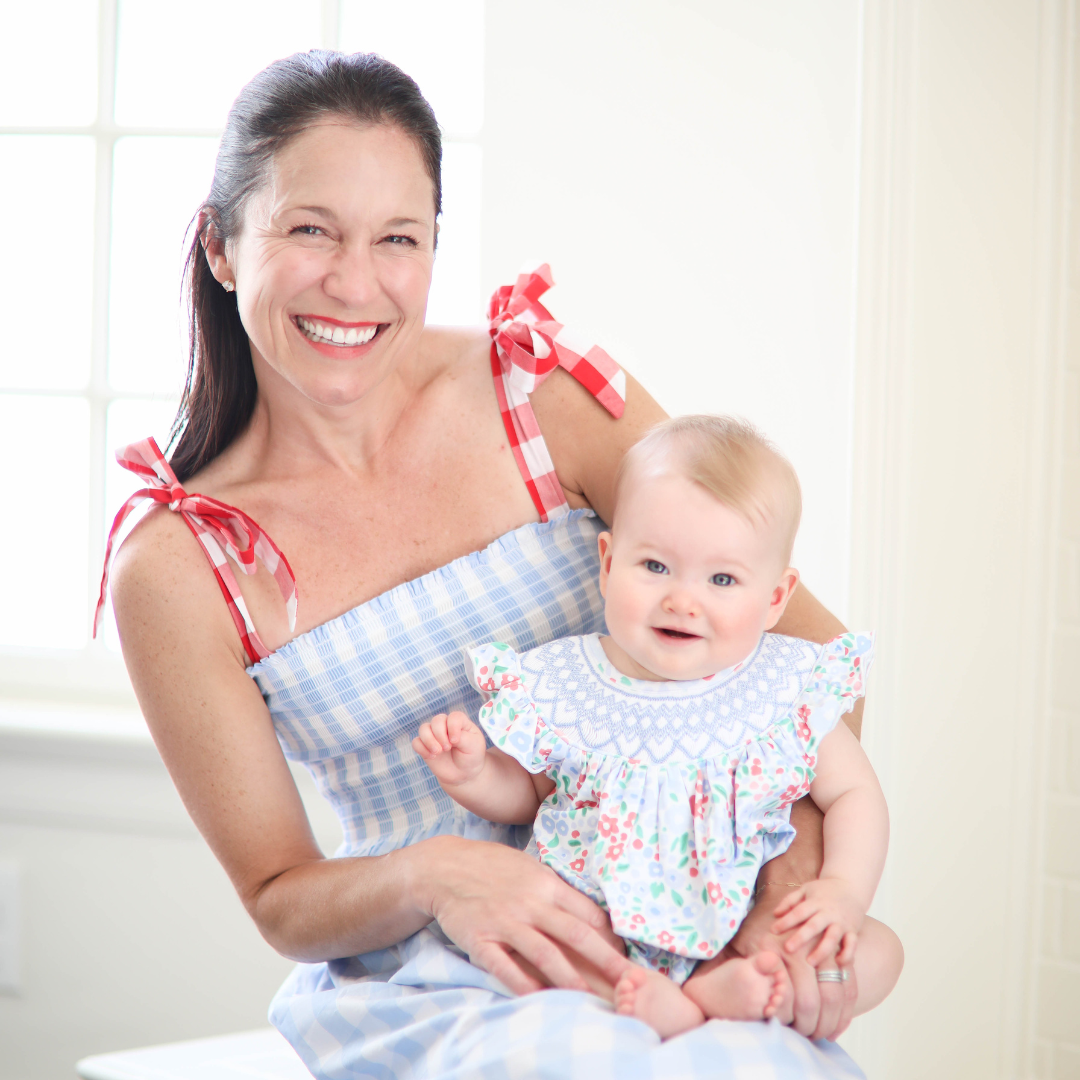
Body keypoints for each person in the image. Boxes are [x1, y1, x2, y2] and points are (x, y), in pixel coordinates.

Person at [98, 49, 895, 1079]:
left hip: (683, 942)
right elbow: (279, 895)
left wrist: (780, 882)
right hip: (439, 976)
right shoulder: (179, 564)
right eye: (308, 230)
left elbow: (811, 666)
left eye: (398, 239)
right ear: (219, 245)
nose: (355, 281)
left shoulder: (540, 391)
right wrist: (440, 877)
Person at [414, 416, 902, 1040]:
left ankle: (717, 990)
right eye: (655, 566)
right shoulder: (566, 683)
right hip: (599, 925)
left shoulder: (784, 688)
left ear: (777, 598)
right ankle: (675, 1000)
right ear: (609, 560)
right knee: (527, 949)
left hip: (741, 926)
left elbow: (856, 795)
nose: (683, 600)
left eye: (722, 579)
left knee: (880, 951)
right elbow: (529, 797)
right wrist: (475, 772)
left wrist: (842, 890)